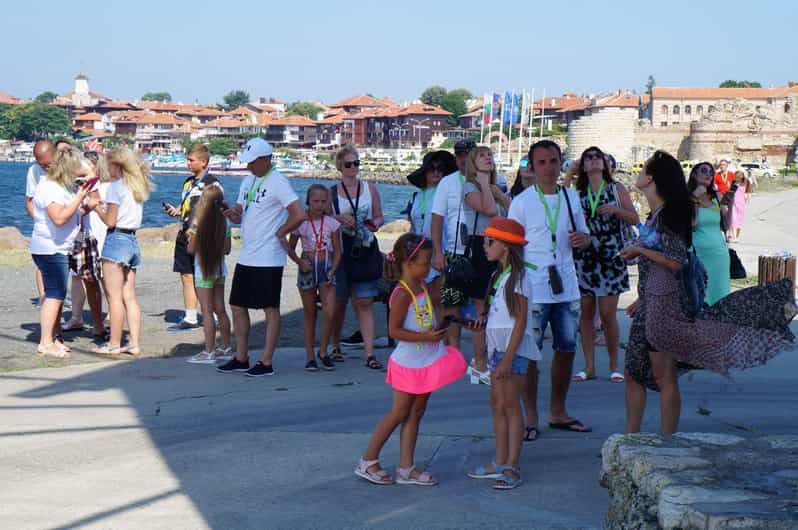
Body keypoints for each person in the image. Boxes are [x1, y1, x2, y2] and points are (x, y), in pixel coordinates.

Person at [621, 150, 796, 434]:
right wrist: (642, 296)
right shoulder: (656, 214)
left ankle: (667, 441)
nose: (638, 174)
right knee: (633, 373)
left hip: (666, 305)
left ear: (650, 178)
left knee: (663, 375)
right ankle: (630, 439)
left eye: (644, 170)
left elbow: (676, 261)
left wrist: (639, 249)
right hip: (652, 301)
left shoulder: (671, 214)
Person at [354, 233, 466, 486]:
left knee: (416, 412)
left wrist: (439, 327)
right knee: (399, 412)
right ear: (408, 262)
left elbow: (427, 314)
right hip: (408, 363)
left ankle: (406, 467)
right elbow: (394, 331)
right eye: (425, 262)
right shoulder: (402, 293)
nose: (428, 268)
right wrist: (426, 336)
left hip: (426, 359)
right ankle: (368, 460)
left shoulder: (421, 285)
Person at [508, 140, 593, 434]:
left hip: (567, 285)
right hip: (533, 287)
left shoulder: (571, 198)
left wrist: (584, 239)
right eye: (541, 162)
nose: (548, 168)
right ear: (532, 167)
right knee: (530, 353)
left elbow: (584, 234)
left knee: (567, 349)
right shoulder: (521, 202)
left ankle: (558, 411)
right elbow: (511, 247)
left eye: (553, 161)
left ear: (561, 163)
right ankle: (530, 416)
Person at [217, 138, 304, 377]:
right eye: (247, 162)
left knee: (270, 308)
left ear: (266, 159)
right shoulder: (248, 179)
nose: (248, 166)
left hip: (269, 256)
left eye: (252, 162)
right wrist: (231, 213)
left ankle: (266, 362)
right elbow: (239, 215)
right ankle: (241, 357)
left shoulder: (278, 182)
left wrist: (281, 232)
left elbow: (299, 214)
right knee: (237, 305)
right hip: (247, 254)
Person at [467, 218, 540, 490]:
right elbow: (502, 318)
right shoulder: (501, 276)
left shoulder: (519, 278)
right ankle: (499, 461)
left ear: (506, 247)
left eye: (490, 241)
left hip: (512, 350)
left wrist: (508, 358)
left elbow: (520, 322)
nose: (485, 246)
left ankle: (512, 465)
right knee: (497, 405)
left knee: (510, 406)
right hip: (500, 349)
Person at [572, 147, 639, 383]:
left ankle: (614, 366)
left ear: (604, 163)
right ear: (583, 165)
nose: (592, 161)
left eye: (596, 157)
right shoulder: (577, 192)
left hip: (611, 253)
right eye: (587, 158)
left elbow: (635, 218)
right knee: (587, 313)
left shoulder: (616, 188)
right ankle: (588, 366)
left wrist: (615, 209)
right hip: (586, 254)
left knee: (609, 314)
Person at [29, 147, 94, 358]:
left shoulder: (60, 186)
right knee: (54, 295)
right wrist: (81, 196)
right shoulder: (50, 188)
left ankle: (53, 339)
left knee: (55, 294)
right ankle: (46, 342)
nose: (78, 171)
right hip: (50, 248)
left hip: (58, 247)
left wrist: (85, 204)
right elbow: (58, 218)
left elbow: (71, 212)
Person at [87, 147, 151, 356]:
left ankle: (114, 342)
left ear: (116, 165)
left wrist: (96, 207)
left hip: (116, 239)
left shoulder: (116, 187)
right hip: (133, 240)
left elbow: (110, 221)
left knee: (114, 297)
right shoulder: (137, 185)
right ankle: (134, 342)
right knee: (129, 296)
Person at [328, 145, 385, 369]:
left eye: (356, 164)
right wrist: (340, 219)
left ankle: (369, 353)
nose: (353, 168)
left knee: (365, 302)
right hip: (341, 251)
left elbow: (379, 216)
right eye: (349, 164)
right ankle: (335, 346)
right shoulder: (333, 192)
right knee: (339, 302)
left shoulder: (370, 189)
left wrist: (375, 224)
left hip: (365, 249)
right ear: (340, 167)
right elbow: (326, 221)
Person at [430, 138, 481, 376]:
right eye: (459, 154)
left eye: (468, 154)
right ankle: (454, 356)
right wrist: (438, 252)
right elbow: (437, 218)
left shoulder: (490, 179)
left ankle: (481, 358)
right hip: (454, 252)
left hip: (482, 251)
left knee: (482, 306)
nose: (463, 158)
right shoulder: (447, 183)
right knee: (452, 305)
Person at [462, 145, 509, 383]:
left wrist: (499, 193)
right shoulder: (470, 187)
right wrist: (482, 182)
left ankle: (489, 360)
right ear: (473, 162)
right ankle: (479, 364)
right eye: (482, 156)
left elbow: (512, 212)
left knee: (496, 307)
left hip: (500, 248)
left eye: (490, 155)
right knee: (481, 308)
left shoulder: (498, 186)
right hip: (480, 248)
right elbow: (489, 210)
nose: (488, 158)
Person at [164, 144, 220, 329]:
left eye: (191, 160)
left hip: (202, 237)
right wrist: (176, 211)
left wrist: (197, 228)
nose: (188, 163)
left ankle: (212, 314)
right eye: (187, 160)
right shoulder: (188, 183)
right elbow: (186, 206)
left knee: (204, 276)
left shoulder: (212, 183)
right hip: (184, 234)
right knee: (186, 275)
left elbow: (213, 210)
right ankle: (190, 316)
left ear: (203, 162)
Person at [287, 184, 341, 371]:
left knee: (329, 311)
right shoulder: (301, 222)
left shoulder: (332, 223)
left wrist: (333, 269)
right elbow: (290, 247)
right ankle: (310, 355)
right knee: (310, 313)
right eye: (316, 201)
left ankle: (324, 351)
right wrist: (300, 263)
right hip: (308, 266)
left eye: (323, 201)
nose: (319, 205)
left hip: (326, 267)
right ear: (308, 201)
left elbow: (338, 250)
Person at [185, 184, 233, 364]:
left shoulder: (199, 222)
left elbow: (190, 249)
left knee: (206, 311)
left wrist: (193, 239)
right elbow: (227, 249)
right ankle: (226, 347)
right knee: (220, 308)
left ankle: (209, 351)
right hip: (220, 269)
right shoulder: (225, 221)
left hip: (203, 269)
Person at [62, 150, 109, 339]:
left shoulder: (99, 185)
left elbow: (96, 203)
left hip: (98, 234)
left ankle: (106, 319)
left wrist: (89, 180)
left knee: (99, 278)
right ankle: (77, 316)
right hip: (81, 235)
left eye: (87, 165)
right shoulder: (76, 184)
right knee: (77, 277)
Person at [406, 150, 457, 317]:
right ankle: (428, 338)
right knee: (421, 301)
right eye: (432, 168)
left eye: (440, 168)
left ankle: (442, 340)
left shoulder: (449, 195)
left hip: (439, 254)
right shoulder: (416, 196)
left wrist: (440, 254)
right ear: (425, 172)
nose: (436, 172)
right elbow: (412, 225)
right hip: (419, 255)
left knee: (438, 300)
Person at [687, 162, 731, 305]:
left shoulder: (716, 196)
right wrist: (694, 198)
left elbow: (726, 225)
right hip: (697, 254)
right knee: (700, 296)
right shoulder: (687, 197)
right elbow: (691, 224)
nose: (708, 174)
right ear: (694, 174)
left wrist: (728, 207)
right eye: (704, 171)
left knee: (721, 297)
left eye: (711, 172)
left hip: (719, 254)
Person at [26, 140, 55, 304]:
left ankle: (57, 294)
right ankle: (44, 295)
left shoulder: (66, 167)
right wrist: (38, 222)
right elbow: (29, 200)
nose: (44, 167)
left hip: (63, 222)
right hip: (43, 224)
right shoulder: (34, 170)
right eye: (40, 163)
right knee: (41, 261)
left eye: (47, 164)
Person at [729, 170, 749, 242]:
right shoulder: (733, 183)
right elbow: (730, 192)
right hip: (733, 202)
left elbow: (748, 192)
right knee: (733, 219)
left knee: (739, 220)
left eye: (740, 176)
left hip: (741, 204)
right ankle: (733, 236)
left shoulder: (745, 182)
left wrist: (747, 198)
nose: (738, 178)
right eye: (737, 176)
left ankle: (737, 236)